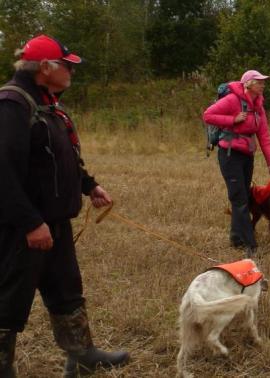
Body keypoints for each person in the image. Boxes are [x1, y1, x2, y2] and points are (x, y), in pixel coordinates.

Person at [0, 35, 129, 377]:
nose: (72, 70)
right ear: (45, 67)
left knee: (67, 291)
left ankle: (83, 355)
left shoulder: (48, 103)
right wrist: (29, 223)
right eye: (66, 64)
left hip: (55, 223)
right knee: (7, 302)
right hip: (20, 229)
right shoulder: (12, 104)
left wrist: (89, 185)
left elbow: (60, 157)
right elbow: (3, 172)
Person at [203, 70, 270, 257]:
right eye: (259, 82)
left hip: (247, 155)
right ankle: (250, 245)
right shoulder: (232, 100)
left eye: (263, 82)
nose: (263, 85)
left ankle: (237, 238)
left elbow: (264, 135)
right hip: (229, 155)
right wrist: (232, 120)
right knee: (240, 199)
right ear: (249, 84)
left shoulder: (258, 105)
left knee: (241, 198)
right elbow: (208, 115)